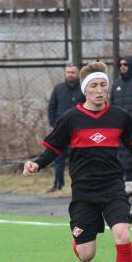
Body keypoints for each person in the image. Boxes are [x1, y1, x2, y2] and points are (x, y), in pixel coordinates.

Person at [23, 61, 132, 262]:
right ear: (85, 89)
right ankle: (78, 238)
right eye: (94, 86)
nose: (99, 90)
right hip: (84, 192)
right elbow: (53, 149)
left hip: (113, 188)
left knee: (123, 235)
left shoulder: (119, 116)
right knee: (86, 255)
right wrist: (36, 164)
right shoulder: (71, 118)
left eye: (103, 85)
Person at [47, 63, 85, 192]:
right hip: (61, 130)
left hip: (79, 131)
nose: (70, 75)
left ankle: (80, 184)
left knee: (80, 159)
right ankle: (58, 184)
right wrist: (55, 124)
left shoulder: (84, 90)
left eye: (72, 72)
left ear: (78, 73)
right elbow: (51, 107)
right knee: (58, 158)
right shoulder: (58, 89)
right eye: (68, 72)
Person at [111, 56, 132, 181]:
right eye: (120, 65)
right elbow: (112, 103)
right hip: (119, 125)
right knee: (123, 154)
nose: (123, 67)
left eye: (125, 64)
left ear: (130, 66)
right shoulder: (116, 84)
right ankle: (127, 179)